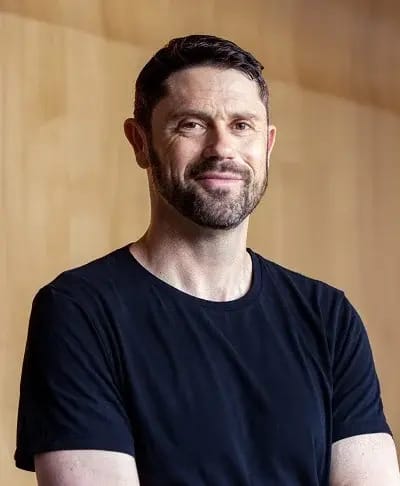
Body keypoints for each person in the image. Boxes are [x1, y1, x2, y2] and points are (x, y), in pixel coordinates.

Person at [15, 34, 399, 485]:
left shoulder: (328, 317)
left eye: (242, 125)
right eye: (192, 124)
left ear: (267, 144)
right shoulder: (79, 310)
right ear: (140, 142)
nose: (222, 148)